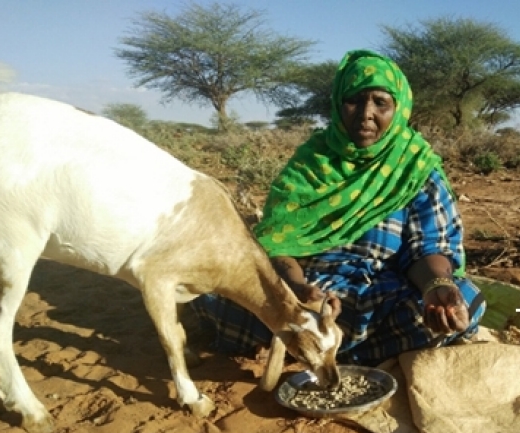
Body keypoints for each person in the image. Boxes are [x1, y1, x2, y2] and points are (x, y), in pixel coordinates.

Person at [191, 49, 485, 366]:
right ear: (337, 103)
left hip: (379, 296)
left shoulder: (415, 168)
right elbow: (275, 244)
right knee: (210, 291)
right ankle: (340, 348)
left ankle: (305, 347)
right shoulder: (310, 163)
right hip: (305, 295)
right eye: (354, 100)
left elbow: (428, 247)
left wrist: (436, 286)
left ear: (399, 108)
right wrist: (297, 290)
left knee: (465, 299)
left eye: (380, 103)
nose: (365, 113)